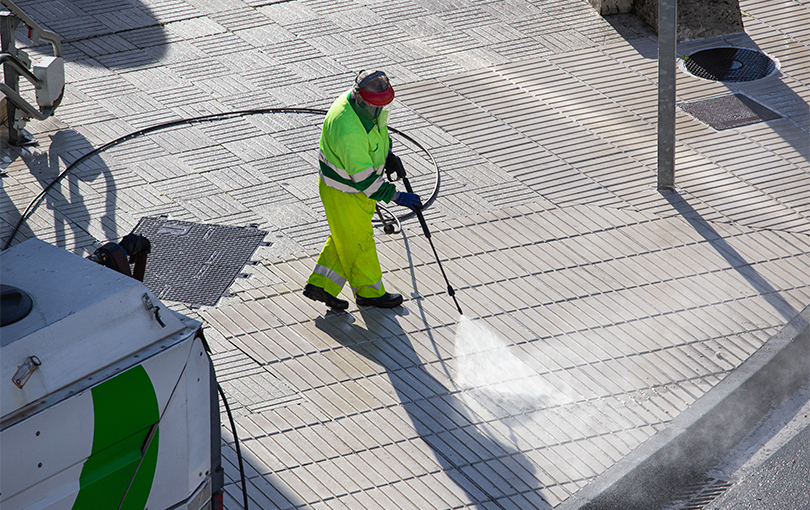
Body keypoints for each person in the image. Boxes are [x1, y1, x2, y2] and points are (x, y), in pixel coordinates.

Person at [303, 70, 422, 310]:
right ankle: (370, 293)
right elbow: (367, 183)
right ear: (359, 98)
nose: (378, 112)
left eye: (382, 107)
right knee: (359, 241)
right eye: (374, 108)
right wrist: (398, 196)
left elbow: (377, 133)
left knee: (345, 237)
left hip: (350, 188)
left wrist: (387, 155)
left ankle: (322, 286)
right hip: (345, 191)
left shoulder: (365, 108)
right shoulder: (348, 130)